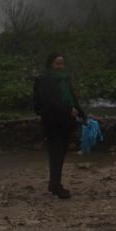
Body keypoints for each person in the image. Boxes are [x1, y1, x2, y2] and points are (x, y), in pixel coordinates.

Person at [34, 52, 87, 198]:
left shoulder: (64, 79)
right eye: (57, 63)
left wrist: (82, 113)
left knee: (61, 153)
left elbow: (72, 98)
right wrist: (69, 110)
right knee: (56, 153)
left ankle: (54, 184)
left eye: (61, 63)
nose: (60, 66)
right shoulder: (45, 80)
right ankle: (56, 186)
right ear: (50, 64)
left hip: (66, 121)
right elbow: (49, 102)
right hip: (53, 122)